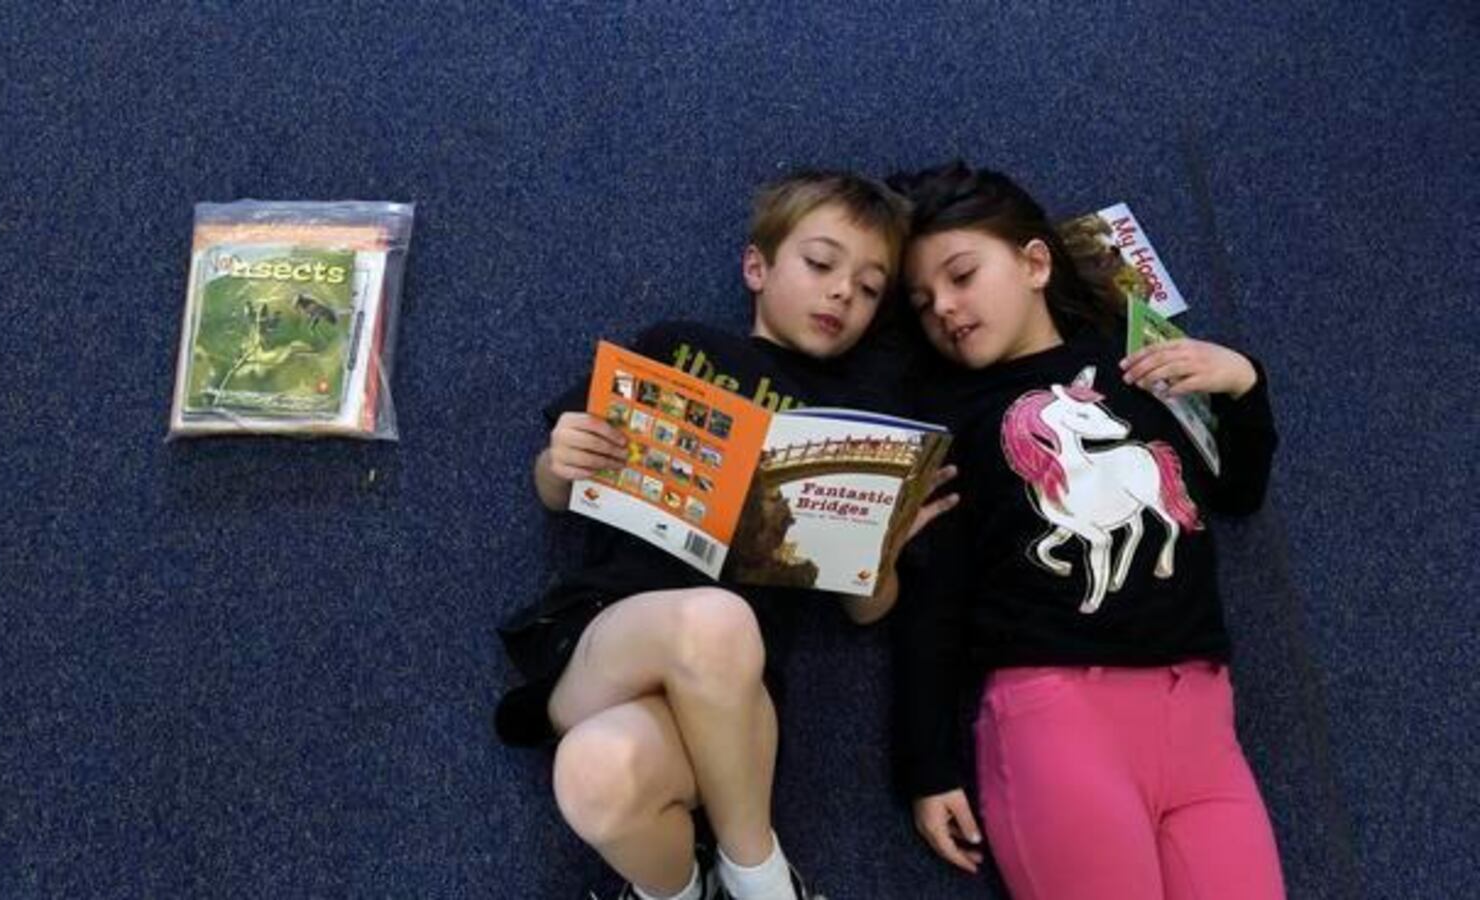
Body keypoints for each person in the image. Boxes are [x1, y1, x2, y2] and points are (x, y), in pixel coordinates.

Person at [495, 170, 955, 900]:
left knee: (594, 771)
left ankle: (678, 892)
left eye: (870, 289)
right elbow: (553, 492)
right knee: (714, 618)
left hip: (735, 705)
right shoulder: (678, 346)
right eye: (821, 263)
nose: (843, 293)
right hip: (606, 641)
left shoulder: (859, 418)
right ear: (756, 267)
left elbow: (867, 611)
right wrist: (559, 460)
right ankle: (762, 877)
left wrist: (882, 555)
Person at [886, 160, 1286, 900]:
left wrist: (1243, 381)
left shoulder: (1134, 360)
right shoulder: (953, 420)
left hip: (1203, 718)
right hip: (1059, 711)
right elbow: (933, 599)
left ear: (1035, 263)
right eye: (921, 301)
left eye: (962, 275)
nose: (943, 306)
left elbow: (1238, 491)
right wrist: (926, 765)